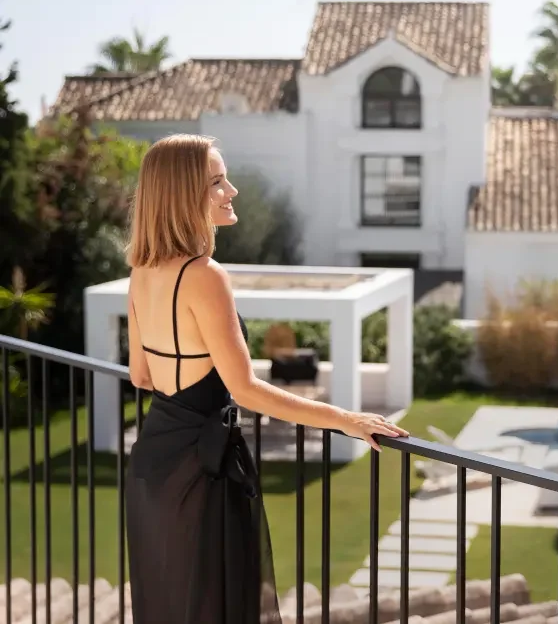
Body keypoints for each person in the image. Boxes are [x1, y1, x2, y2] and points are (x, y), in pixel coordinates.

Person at [123, 133, 408, 623]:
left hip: (152, 466)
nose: (231, 190)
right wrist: (346, 419)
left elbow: (141, 374)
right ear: (182, 194)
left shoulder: (141, 270)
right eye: (217, 182)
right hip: (201, 469)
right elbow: (246, 389)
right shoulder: (205, 275)